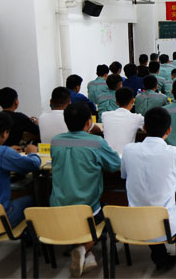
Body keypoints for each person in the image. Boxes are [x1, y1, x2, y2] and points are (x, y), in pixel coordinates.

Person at [121, 107, 176, 276]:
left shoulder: (129, 150)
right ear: (169, 130)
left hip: (134, 222)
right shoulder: (174, 153)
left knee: (147, 204)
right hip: (165, 224)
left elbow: (124, 175)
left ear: (144, 128)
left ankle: (161, 258)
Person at [50, 103, 121, 277]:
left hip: (57, 209)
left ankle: (85, 254)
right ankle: (84, 248)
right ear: (89, 122)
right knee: (111, 214)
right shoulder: (96, 142)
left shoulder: (55, 141)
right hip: (88, 211)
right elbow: (115, 165)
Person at [102, 87, 144, 154]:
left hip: (108, 156)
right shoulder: (137, 118)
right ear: (132, 101)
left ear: (116, 102)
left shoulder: (105, 115)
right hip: (126, 156)